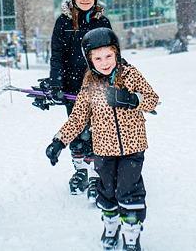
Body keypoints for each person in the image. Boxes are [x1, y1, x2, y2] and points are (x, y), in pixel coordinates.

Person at [45, 28, 159, 251]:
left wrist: (133, 100)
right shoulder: (89, 84)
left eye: (108, 55)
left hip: (133, 148)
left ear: (116, 53)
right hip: (104, 151)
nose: (104, 62)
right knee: (106, 191)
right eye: (97, 58)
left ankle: (131, 234)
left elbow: (153, 100)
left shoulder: (131, 74)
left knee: (129, 191)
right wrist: (59, 141)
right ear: (89, 60)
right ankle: (111, 225)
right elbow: (78, 117)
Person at [40, 0, 111, 201]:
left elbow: (112, 56)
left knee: (96, 132)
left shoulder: (103, 22)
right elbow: (57, 55)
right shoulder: (63, 22)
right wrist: (56, 83)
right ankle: (80, 170)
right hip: (72, 87)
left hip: (98, 87)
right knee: (78, 131)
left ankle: (94, 176)